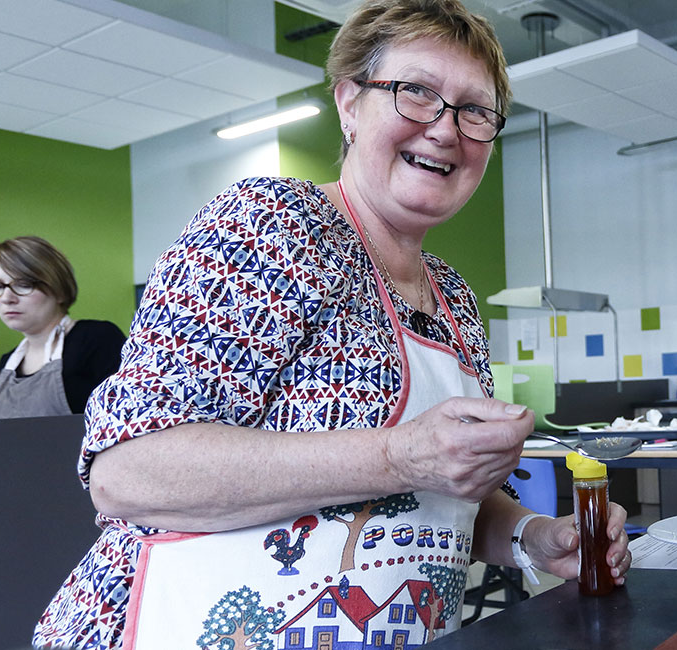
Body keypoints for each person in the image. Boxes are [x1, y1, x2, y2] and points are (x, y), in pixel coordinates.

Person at [31, 1, 631, 647]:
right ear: (349, 103)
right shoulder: (276, 225)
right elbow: (129, 474)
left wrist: (532, 537)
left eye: (474, 111)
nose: (445, 128)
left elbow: (440, 500)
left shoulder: (453, 297)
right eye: (416, 93)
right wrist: (398, 454)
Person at [0, 236, 124, 419]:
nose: (7, 298)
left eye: (23, 285)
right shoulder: (7, 362)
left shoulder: (96, 340)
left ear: (59, 290)